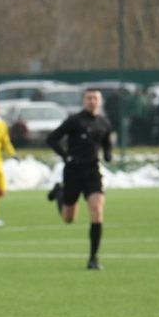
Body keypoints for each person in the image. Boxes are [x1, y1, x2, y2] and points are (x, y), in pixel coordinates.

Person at [44, 89, 113, 271]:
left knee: (97, 211)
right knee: (69, 218)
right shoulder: (74, 121)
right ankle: (60, 192)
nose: (92, 101)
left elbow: (106, 142)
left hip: (92, 172)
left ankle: (93, 259)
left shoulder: (104, 122)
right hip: (73, 172)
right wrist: (65, 156)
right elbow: (52, 139)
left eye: (95, 98)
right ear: (84, 100)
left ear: (100, 100)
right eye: (89, 98)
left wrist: (107, 154)